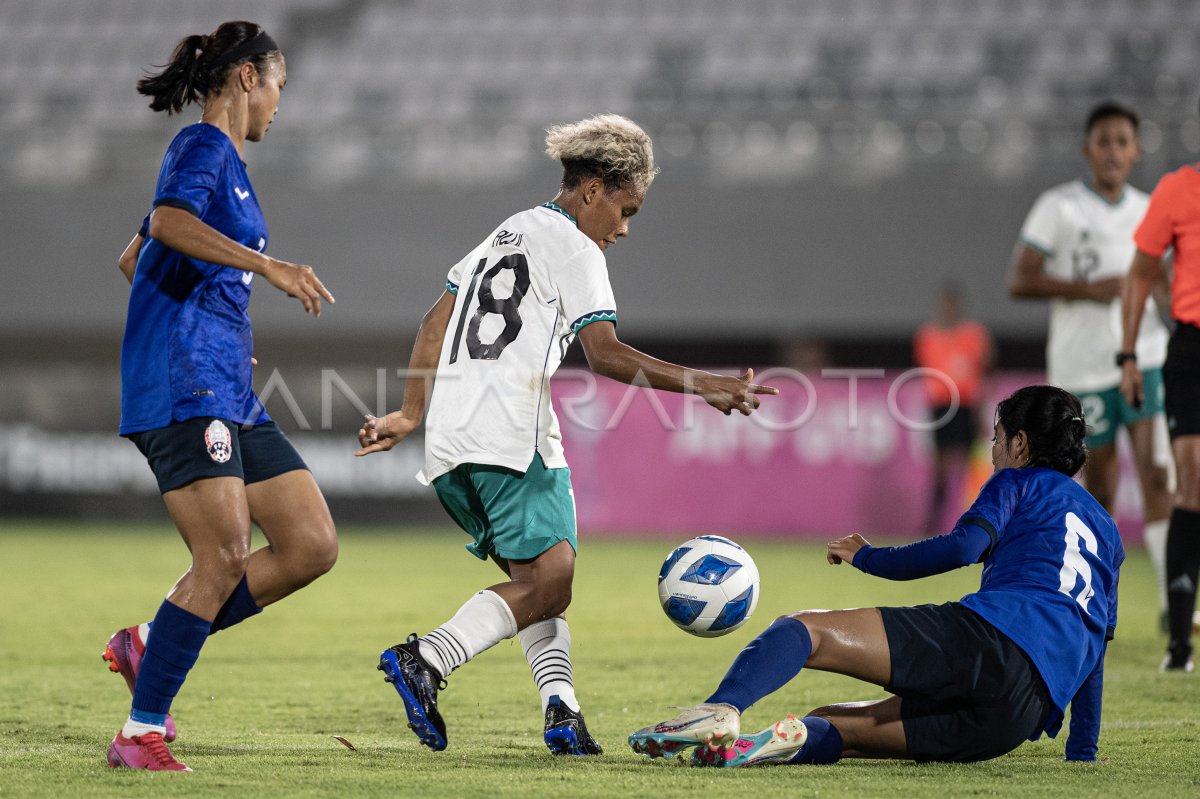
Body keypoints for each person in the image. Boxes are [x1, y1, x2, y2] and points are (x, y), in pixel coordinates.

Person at [355, 114, 776, 755]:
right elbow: (604, 354)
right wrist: (706, 385)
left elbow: (433, 323)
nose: (625, 228)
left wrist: (412, 412)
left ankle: (563, 712)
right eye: (626, 209)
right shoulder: (577, 247)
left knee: (536, 585)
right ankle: (427, 659)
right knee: (552, 586)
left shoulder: (506, 232)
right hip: (511, 432)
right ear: (592, 193)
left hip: (450, 440)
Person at [629, 385, 1122, 767]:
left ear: (1021, 442)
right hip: (1018, 717)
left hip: (994, 640)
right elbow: (1096, 645)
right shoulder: (1108, 532)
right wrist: (1082, 750)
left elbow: (964, 547)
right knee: (840, 727)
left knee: (807, 630)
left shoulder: (1018, 480)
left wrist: (869, 557)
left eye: (996, 437)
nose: (992, 449)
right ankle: (765, 748)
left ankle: (721, 710)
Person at [103, 21, 338, 771]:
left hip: (226, 382)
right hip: (185, 383)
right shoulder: (203, 146)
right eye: (278, 86)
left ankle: (150, 639)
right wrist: (263, 272)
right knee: (225, 555)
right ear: (246, 78)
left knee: (309, 544)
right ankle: (140, 732)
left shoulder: (227, 166)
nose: (279, 103)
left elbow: (133, 255)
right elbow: (167, 225)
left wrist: (222, 321)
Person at [1009, 101, 1173, 630]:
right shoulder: (1059, 207)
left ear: (1136, 150)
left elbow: (1166, 287)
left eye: (1122, 141)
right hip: (1082, 367)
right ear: (1087, 149)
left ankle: (1177, 604)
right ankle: (1095, 596)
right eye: (1103, 141)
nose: (1113, 151)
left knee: (1155, 472)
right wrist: (1087, 289)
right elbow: (1021, 279)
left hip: (1143, 357)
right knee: (1099, 485)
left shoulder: (1151, 210)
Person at [1119, 142, 1200, 672]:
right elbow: (1140, 274)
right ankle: (1180, 642)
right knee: (1190, 480)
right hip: (1192, 348)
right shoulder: (1178, 188)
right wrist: (1127, 355)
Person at [913, 282, 994, 532]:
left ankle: (981, 519)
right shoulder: (927, 337)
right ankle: (933, 523)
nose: (948, 308)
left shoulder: (975, 336)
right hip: (940, 407)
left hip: (966, 406)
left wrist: (982, 410)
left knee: (974, 467)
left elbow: (986, 371)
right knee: (940, 468)